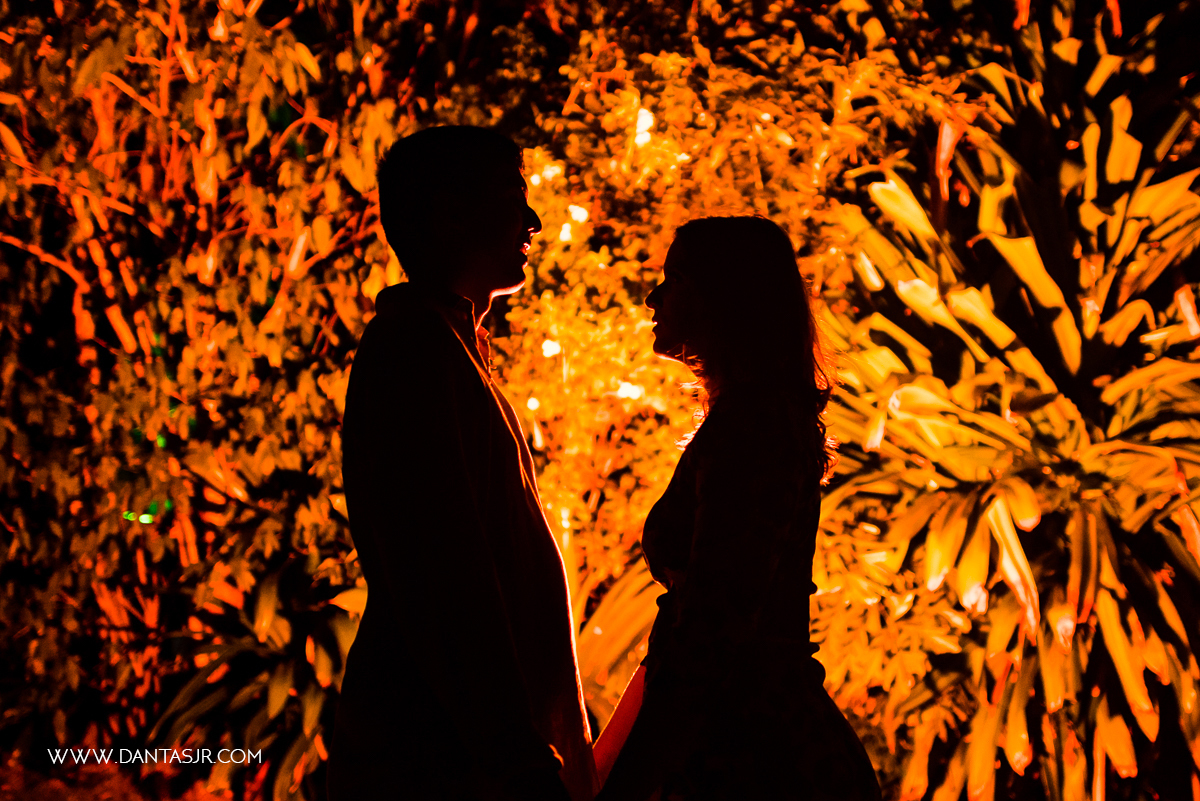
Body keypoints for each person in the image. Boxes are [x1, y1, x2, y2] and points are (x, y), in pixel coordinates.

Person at [328, 126, 597, 801]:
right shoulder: (416, 351)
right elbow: (446, 566)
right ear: (451, 215)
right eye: (512, 200)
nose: (532, 221)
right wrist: (514, 753)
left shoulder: (448, 346)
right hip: (436, 750)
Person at [592, 217, 881, 801]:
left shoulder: (753, 425)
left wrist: (644, 764)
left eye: (672, 280)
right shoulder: (753, 419)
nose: (654, 297)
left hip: (743, 749)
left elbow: (717, 621)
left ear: (721, 298)